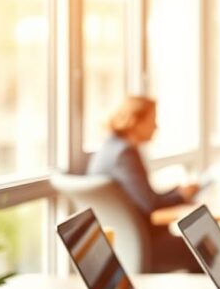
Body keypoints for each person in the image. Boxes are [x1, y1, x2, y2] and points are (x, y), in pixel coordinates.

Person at [86, 96, 200, 271]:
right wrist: (181, 196)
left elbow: (145, 197)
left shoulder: (107, 149)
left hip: (121, 243)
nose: (156, 127)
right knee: (203, 249)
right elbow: (150, 204)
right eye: (152, 120)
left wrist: (177, 192)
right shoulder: (125, 154)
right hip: (143, 245)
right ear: (134, 121)